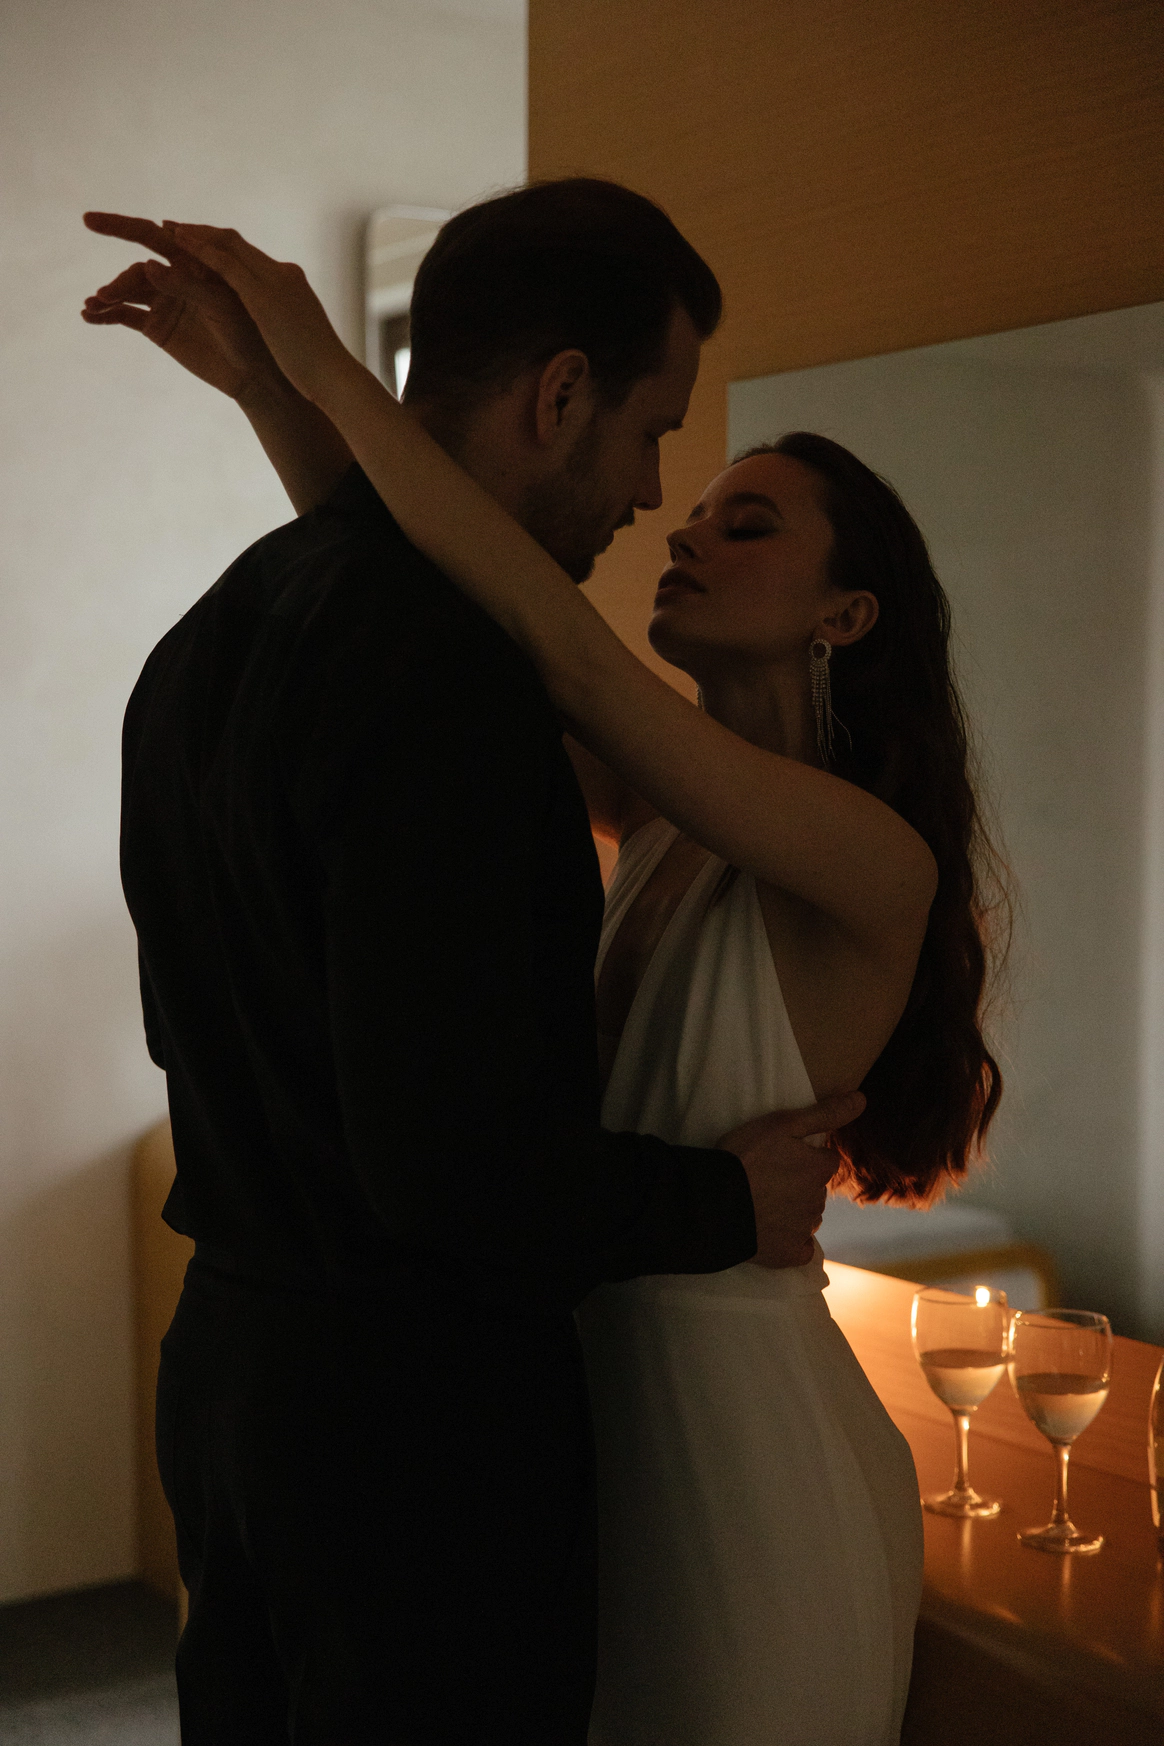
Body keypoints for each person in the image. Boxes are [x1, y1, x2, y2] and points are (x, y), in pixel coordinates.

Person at [98, 210, 1008, 1746]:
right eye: (670, 467)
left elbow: (526, 638)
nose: (671, 517)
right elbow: (437, 606)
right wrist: (283, 392)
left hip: (743, 1451)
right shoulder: (651, 810)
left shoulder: (870, 859)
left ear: (847, 615)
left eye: (743, 522)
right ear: (565, 393)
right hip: (591, 1417)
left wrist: (322, 372)